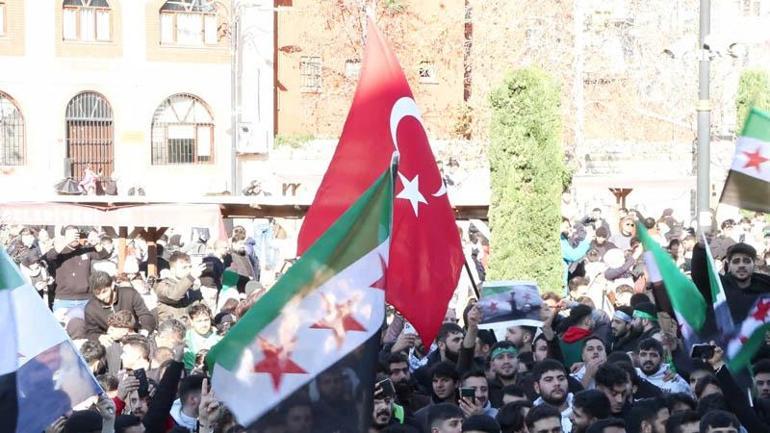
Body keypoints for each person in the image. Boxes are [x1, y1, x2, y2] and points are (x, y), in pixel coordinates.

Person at [692, 241, 770, 323]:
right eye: (736, 261)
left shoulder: (765, 286)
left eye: (746, 261)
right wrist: (701, 247)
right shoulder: (719, 287)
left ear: (753, 264)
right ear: (729, 265)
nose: (741, 265)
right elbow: (700, 272)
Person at [46, 225, 110, 319]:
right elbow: (50, 256)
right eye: (71, 235)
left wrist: (96, 243)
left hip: (85, 299)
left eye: (76, 234)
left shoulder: (84, 250)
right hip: (64, 300)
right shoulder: (60, 252)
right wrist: (67, 241)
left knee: (85, 329)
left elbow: (104, 255)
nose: (75, 237)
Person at [84, 271, 155, 341]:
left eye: (104, 292)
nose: (102, 297)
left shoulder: (130, 294)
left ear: (112, 285)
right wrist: (99, 337)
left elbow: (145, 315)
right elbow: (91, 332)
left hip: (134, 335)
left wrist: (143, 333)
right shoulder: (91, 308)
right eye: (97, 294)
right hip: (111, 341)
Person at [154, 251, 204, 322]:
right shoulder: (161, 285)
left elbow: (203, 308)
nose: (188, 270)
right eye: (184, 268)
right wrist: (191, 277)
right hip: (171, 329)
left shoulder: (192, 286)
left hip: (190, 329)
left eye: (190, 267)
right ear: (173, 270)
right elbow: (173, 296)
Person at [532, 359, 573, 433]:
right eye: (549, 380)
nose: (557, 383)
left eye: (561, 379)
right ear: (537, 387)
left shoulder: (584, 409)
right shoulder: (530, 414)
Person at [183, 304, 222, 371]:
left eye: (206, 320)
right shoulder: (185, 340)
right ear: (191, 322)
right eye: (199, 321)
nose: (204, 325)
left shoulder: (219, 338)